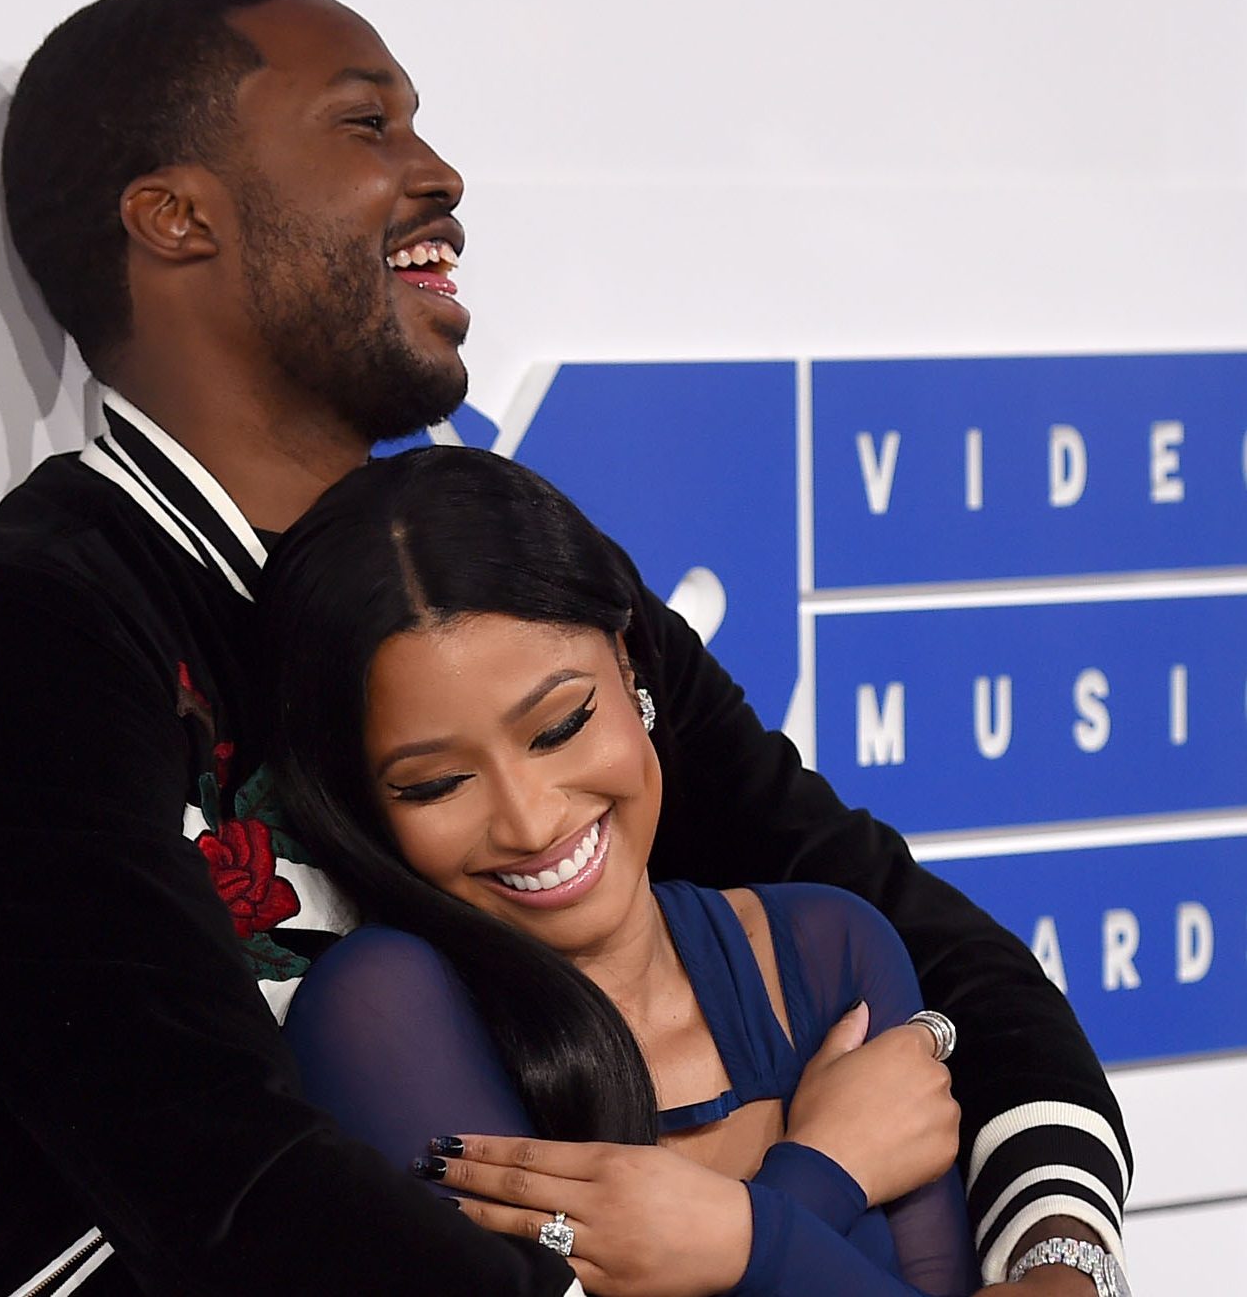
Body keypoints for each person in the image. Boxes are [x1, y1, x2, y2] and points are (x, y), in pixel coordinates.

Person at [0, 0, 1131, 1297]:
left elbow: (925, 949)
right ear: (179, 218)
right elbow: (210, 1174)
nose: (439, 175)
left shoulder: (492, 567)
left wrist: (1059, 1260)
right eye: (367, 124)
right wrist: (778, 1205)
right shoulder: (36, 635)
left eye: (558, 726)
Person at [266, 443, 978, 1295]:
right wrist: (811, 1183)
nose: (530, 822)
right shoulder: (382, 1014)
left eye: (560, 726)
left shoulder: (831, 952)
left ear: (629, 664)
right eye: (436, 784)